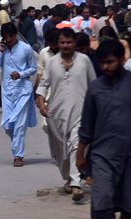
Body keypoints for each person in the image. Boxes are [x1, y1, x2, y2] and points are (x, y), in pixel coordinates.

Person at [77, 39, 131, 219]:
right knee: (101, 202)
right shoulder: (95, 88)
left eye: (110, 62)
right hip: (102, 156)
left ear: (122, 60)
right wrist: (80, 153)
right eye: (102, 63)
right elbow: (87, 124)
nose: (105, 67)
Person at [36, 28, 96, 202]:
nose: (66, 46)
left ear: (74, 43)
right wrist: (40, 102)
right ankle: (69, 178)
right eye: (62, 42)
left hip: (81, 113)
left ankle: (77, 184)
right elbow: (43, 85)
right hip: (56, 115)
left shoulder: (84, 61)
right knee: (61, 151)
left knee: (77, 146)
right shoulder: (53, 62)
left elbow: (95, 86)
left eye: (69, 42)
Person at [0, 23, 37, 167]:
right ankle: (17, 146)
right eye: (6, 37)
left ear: (16, 34)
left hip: (23, 91)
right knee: (8, 126)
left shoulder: (26, 49)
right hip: (7, 92)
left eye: (11, 36)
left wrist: (21, 74)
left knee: (20, 125)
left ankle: (18, 155)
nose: (9, 39)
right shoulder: (1, 50)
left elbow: (33, 68)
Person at [35, 29, 60, 162]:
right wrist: (38, 95)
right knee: (47, 125)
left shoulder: (66, 54)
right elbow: (40, 73)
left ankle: (62, 152)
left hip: (61, 94)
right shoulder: (44, 53)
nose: (53, 46)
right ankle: (56, 152)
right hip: (47, 93)